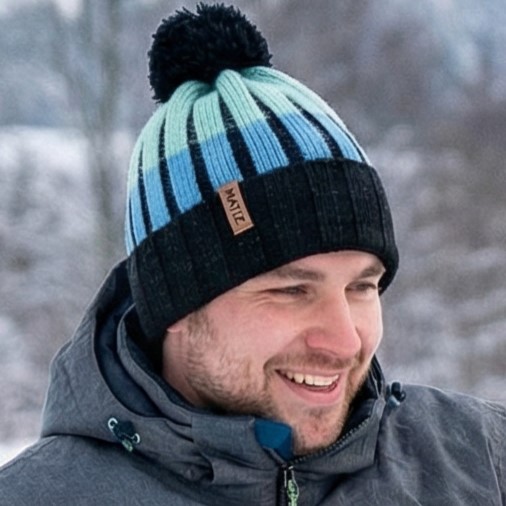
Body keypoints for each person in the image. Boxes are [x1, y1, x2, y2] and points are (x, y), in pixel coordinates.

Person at [1, 4, 504, 505]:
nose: (345, 340)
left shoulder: (481, 460)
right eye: (292, 290)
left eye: (361, 286)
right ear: (174, 303)